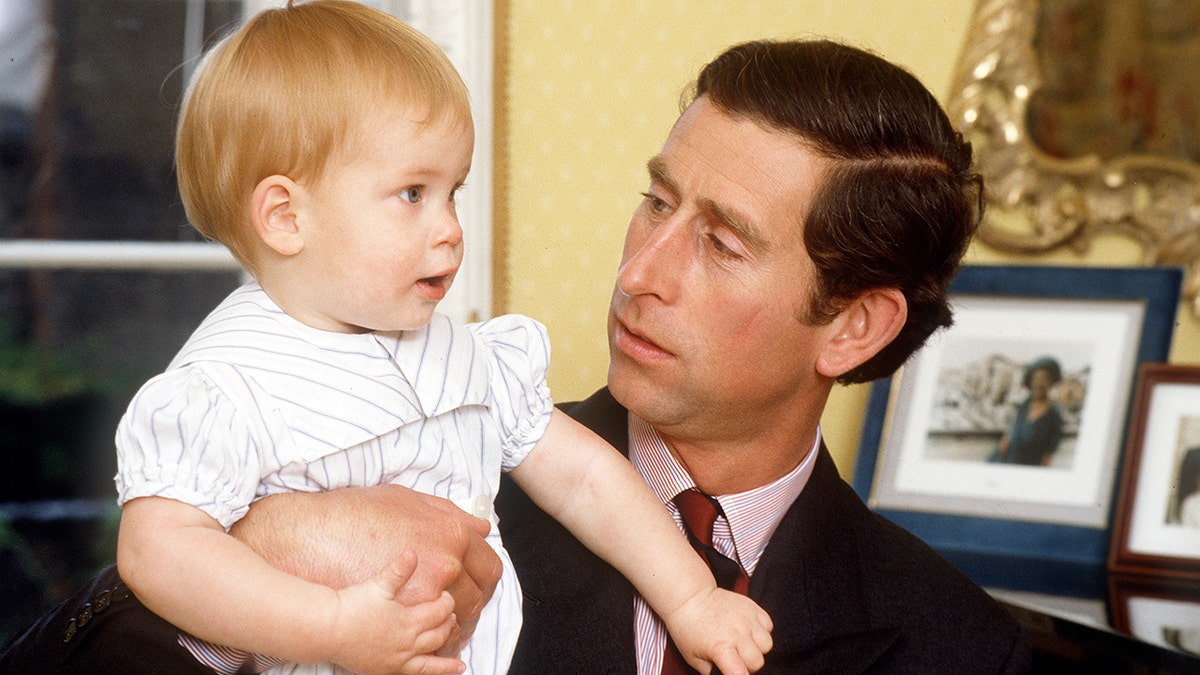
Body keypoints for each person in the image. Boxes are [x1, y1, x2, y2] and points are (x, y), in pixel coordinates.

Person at [0, 36, 1031, 674]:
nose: (640, 273)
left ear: (855, 325)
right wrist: (273, 545)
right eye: (656, 203)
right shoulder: (443, 465)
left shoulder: (956, 643)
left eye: (719, 243)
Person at [989, 357, 1065, 466]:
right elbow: (1014, 425)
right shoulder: (1025, 404)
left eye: (1044, 379)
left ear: (1051, 382)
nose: (1038, 383)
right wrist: (1005, 439)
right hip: (1004, 459)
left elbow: (1049, 453)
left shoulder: (1054, 415)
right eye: (1035, 379)